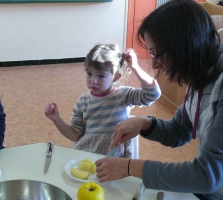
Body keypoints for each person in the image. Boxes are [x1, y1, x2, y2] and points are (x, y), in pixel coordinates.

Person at [95, 0, 223, 199]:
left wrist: (130, 167)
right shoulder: (199, 71)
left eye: (157, 54)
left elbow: (207, 175)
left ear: (185, 46)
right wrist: (145, 124)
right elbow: (181, 130)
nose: (154, 63)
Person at [44, 43, 161, 158]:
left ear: (115, 77)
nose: (93, 81)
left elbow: (152, 94)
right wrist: (56, 119)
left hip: (117, 162)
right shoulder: (83, 102)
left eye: (101, 76)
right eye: (89, 74)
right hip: (87, 157)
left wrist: (135, 67)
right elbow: (75, 136)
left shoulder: (123, 95)